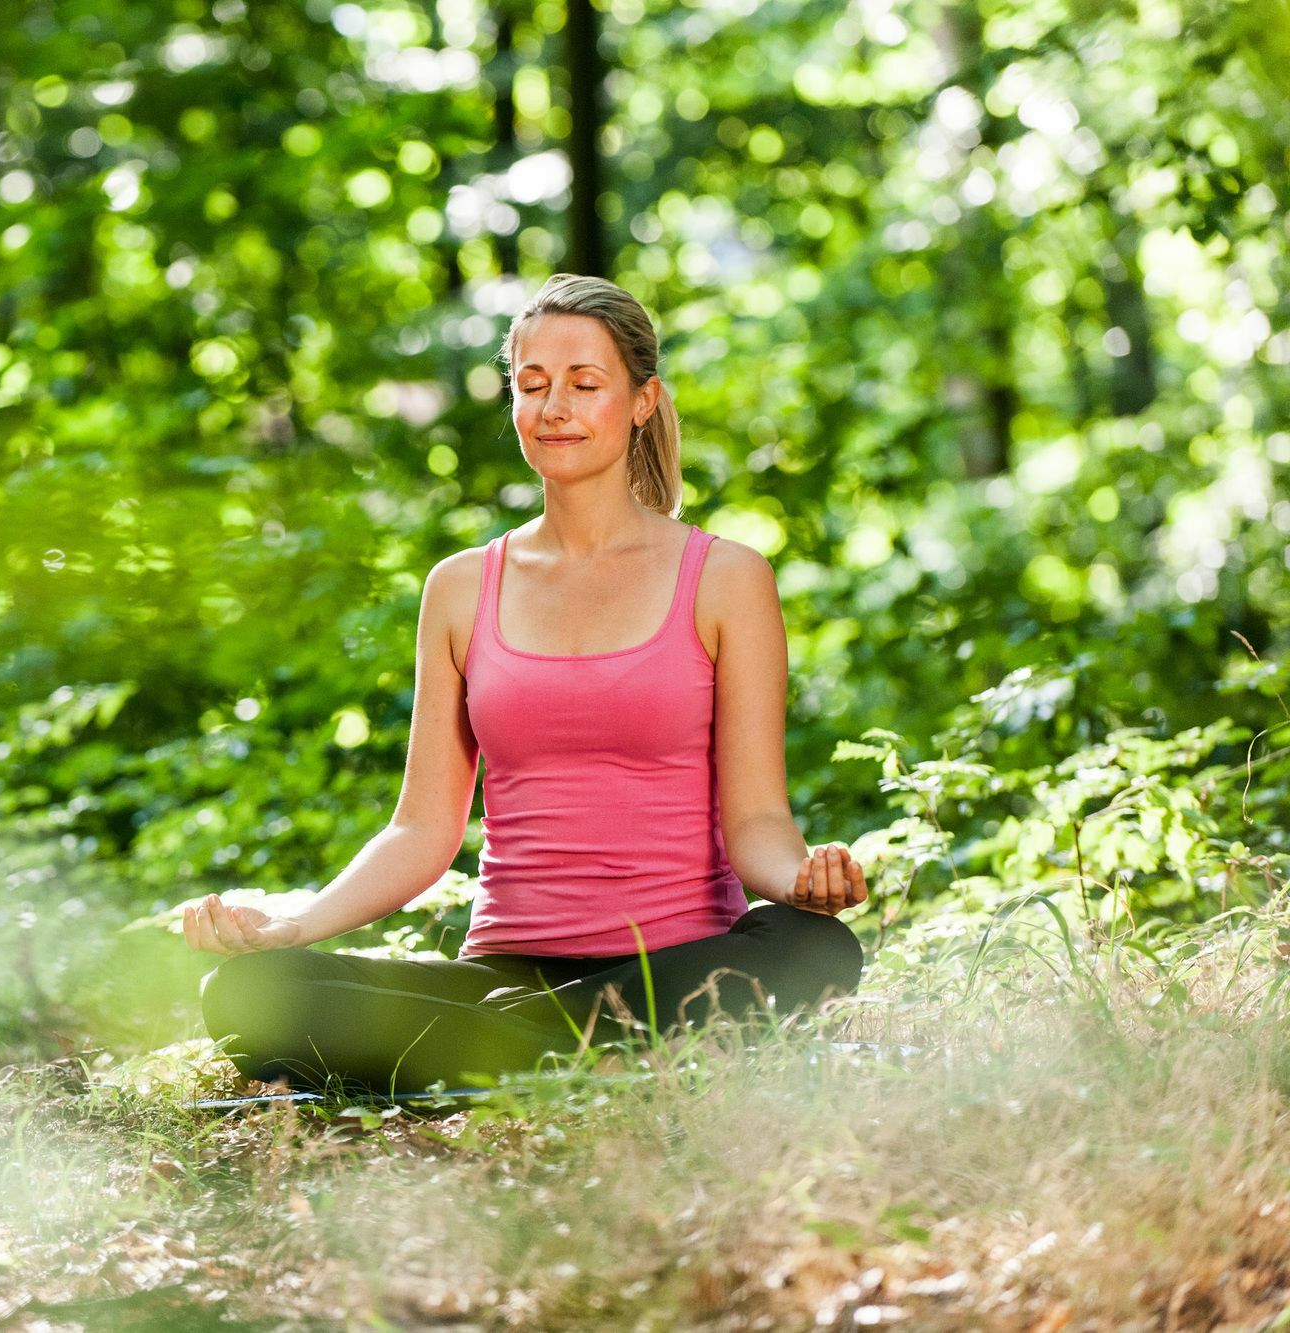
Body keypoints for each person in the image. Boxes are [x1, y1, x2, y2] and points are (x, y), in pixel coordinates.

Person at [182, 273, 868, 1096]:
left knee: (817, 947)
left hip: (675, 968)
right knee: (246, 992)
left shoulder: (725, 578)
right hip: (507, 971)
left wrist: (801, 880)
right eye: (532, 385)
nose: (555, 409)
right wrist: (292, 924)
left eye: (586, 385)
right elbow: (421, 830)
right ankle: (564, 1054)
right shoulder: (462, 586)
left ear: (643, 401)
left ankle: (479, 1057)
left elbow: (756, 817)